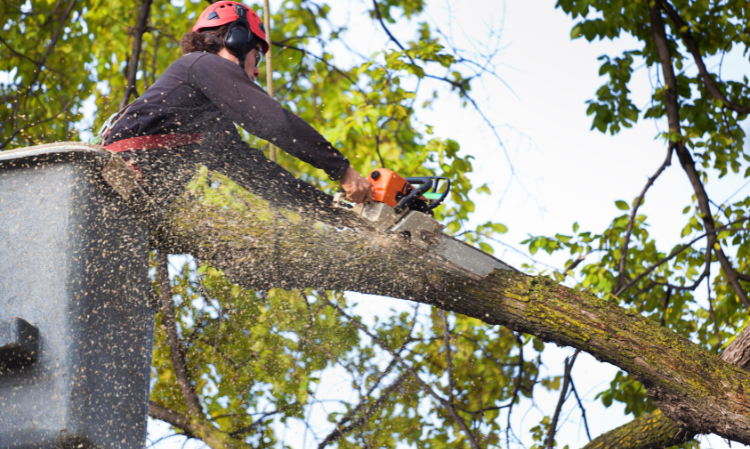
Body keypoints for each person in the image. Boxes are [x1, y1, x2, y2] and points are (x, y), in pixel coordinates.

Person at [102, 0, 372, 209]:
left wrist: (335, 211)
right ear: (237, 40)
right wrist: (342, 169)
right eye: (258, 56)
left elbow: (261, 177)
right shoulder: (201, 64)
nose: (257, 72)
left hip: (127, 206)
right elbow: (274, 121)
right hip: (111, 184)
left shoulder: (210, 123)